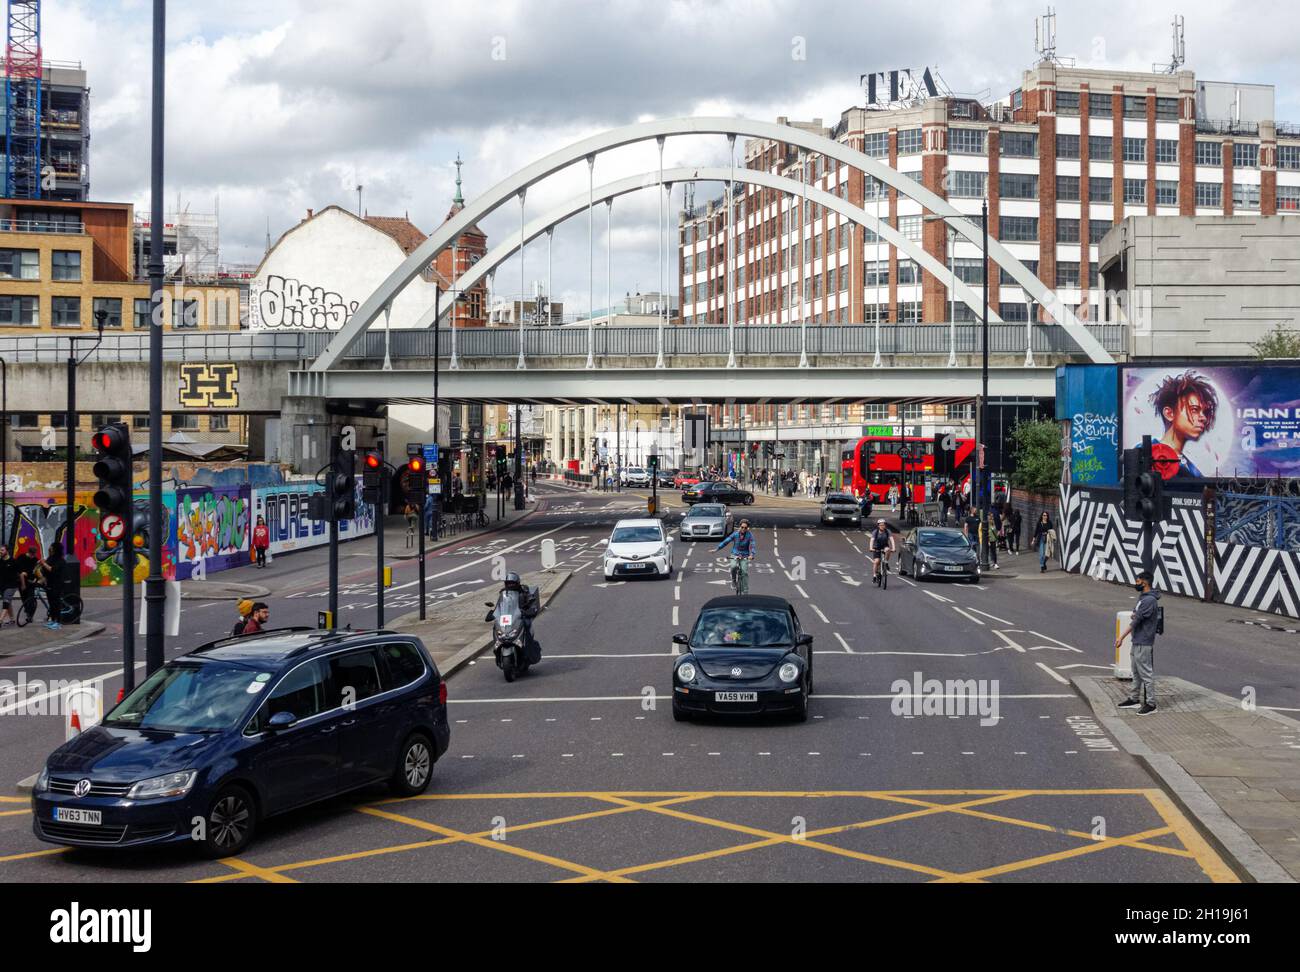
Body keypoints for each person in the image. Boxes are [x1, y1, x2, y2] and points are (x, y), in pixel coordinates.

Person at [1149, 371, 1218, 479]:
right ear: (1169, 413)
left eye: (1204, 412)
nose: (1203, 418)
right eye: (1194, 410)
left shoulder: (1192, 468)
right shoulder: (1147, 455)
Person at [1116, 571, 1162, 715]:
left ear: (1145, 582)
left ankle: (1151, 704)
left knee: (1146, 674)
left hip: (1144, 641)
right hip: (1137, 640)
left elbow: (1136, 620)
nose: (1136, 584)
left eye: (1138, 582)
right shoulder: (1143, 598)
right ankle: (1134, 699)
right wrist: (1135, 614)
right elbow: (1136, 614)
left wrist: (1121, 637)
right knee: (1136, 672)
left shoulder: (1149, 600)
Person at [716, 519, 756, 595]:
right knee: (733, 566)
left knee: (744, 572)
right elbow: (726, 541)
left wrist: (752, 555)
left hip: (745, 555)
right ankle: (734, 581)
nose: (743, 529)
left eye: (745, 527)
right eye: (742, 527)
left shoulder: (750, 535)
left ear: (747, 528)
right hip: (735, 554)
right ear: (739, 527)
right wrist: (717, 548)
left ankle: (745, 590)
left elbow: (752, 544)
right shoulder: (735, 534)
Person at [37, 540, 66, 629]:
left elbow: (52, 570)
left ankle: (58, 622)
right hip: (49, 584)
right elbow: (45, 570)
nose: (50, 548)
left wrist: (43, 564)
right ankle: (53, 620)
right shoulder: (51, 558)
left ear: (55, 549)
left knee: (56, 603)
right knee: (51, 603)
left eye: (51, 547)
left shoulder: (60, 560)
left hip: (56, 584)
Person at [868, 518, 895, 585]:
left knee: (888, 550)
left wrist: (893, 548)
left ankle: (886, 562)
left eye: (883, 525)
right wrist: (871, 548)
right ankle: (874, 575)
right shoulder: (875, 532)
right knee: (876, 561)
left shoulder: (887, 531)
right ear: (878, 526)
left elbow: (891, 540)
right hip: (876, 547)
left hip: (884, 545)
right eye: (881, 525)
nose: (882, 526)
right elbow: (872, 540)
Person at [0, 546, 17, 627]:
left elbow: (19, 573)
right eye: (0, 550)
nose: (0, 552)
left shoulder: (13, 561)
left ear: (7, 551)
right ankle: (12, 620)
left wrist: (23, 584)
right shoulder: (0, 561)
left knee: (5, 602)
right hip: (2, 586)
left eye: (2, 550)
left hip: (11, 586)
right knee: (8, 602)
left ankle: (0, 620)